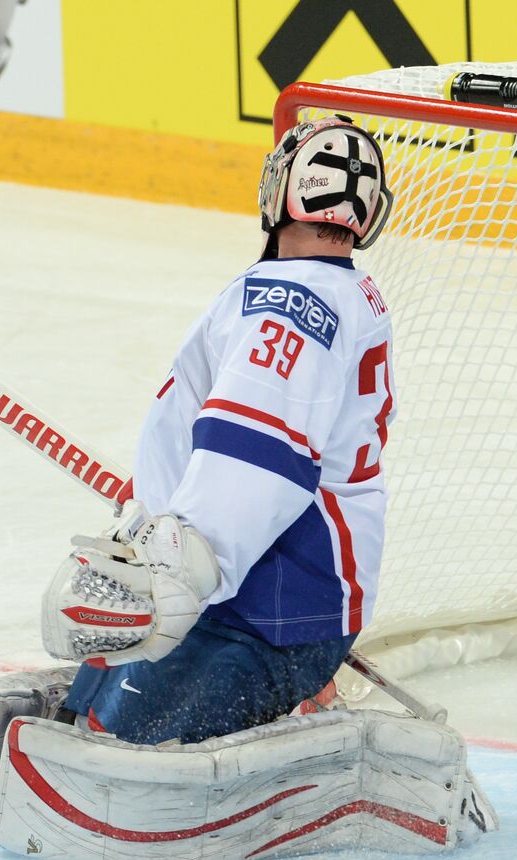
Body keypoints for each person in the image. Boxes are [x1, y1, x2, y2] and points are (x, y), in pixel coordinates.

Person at [40, 115, 396, 744]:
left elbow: (258, 457)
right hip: (252, 591)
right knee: (80, 710)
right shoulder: (330, 290)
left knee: (112, 745)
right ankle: (298, 689)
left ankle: (297, 699)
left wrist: (179, 574)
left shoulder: (290, 302)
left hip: (264, 611)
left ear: (282, 187)